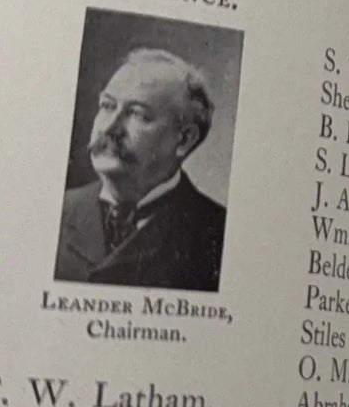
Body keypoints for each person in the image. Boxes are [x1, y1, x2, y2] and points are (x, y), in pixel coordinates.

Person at [54, 46, 228, 290]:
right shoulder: (58, 209)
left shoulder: (219, 234)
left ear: (183, 139)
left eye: (138, 114)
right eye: (107, 106)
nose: (110, 128)